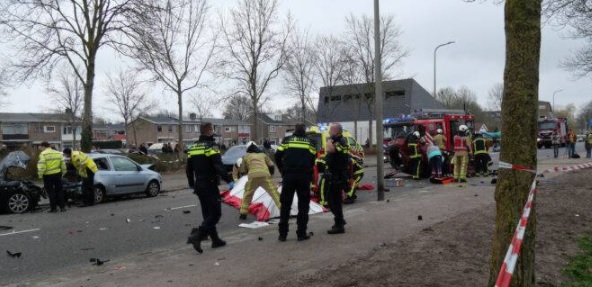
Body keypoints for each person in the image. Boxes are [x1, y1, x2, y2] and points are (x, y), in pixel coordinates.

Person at [186, 122, 234, 254]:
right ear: (209, 131)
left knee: (207, 213)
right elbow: (218, 166)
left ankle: (215, 240)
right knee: (216, 214)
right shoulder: (212, 146)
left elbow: (189, 168)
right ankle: (198, 235)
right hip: (210, 184)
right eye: (212, 129)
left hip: (199, 185)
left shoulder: (193, 147)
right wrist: (229, 180)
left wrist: (191, 183)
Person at [275, 124, 316, 241]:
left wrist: (282, 170)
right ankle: (301, 234)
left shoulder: (287, 140)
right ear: (305, 131)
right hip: (304, 176)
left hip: (289, 176)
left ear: (294, 131)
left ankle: (282, 234)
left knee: (285, 205)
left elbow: (277, 156)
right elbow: (313, 160)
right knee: (303, 205)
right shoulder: (311, 142)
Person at [238, 142, 281, 220]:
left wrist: (246, 174)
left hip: (252, 177)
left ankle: (243, 213)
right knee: (274, 193)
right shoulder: (263, 155)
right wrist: (270, 174)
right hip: (265, 175)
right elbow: (271, 165)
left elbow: (243, 170)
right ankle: (284, 210)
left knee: (248, 194)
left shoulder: (245, 156)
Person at [324, 123, 350, 235]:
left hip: (338, 175)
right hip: (333, 174)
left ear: (337, 131)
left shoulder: (342, 141)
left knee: (335, 201)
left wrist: (329, 140)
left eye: (331, 130)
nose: (330, 132)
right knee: (330, 199)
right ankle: (339, 219)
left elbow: (331, 150)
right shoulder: (336, 140)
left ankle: (339, 225)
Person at [37, 141, 67, 212]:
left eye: (41, 147)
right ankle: (62, 207)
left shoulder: (43, 154)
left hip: (47, 176)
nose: (41, 149)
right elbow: (63, 164)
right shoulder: (58, 153)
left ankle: (54, 208)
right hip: (57, 174)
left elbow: (41, 165)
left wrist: (40, 175)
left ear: (43, 146)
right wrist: (63, 173)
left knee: (51, 192)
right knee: (59, 191)